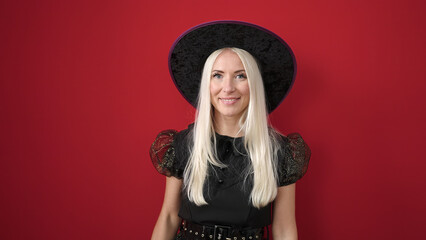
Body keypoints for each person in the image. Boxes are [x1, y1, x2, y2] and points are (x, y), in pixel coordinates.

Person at [150, 21, 310, 240]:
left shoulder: (280, 151)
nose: (228, 87)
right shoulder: (183, 144)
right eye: (217, 75)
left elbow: (284, 228)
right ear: (207, 83)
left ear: (253, 83)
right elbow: (168, 217)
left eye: (240, 75)